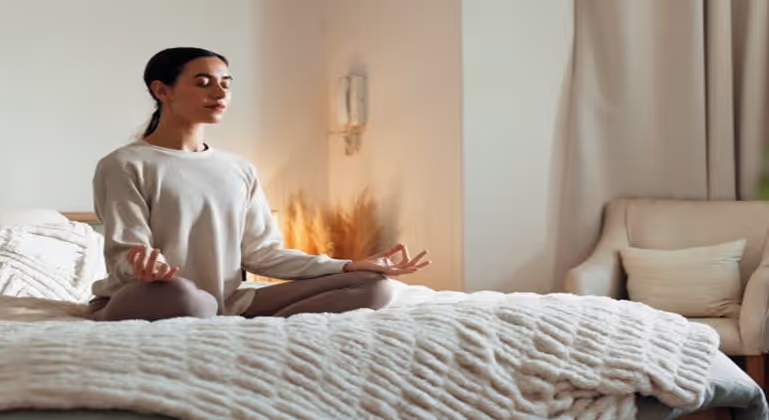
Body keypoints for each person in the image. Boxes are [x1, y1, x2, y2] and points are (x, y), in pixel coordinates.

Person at [88, 47, 430, 322]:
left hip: (225, 302)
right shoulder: (125, 164)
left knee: (374, 286)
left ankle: (255, 328)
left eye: (226, 83)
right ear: (162, 90)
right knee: (185, 296)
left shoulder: (238, 169)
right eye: (204, 83)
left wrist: (348, 265)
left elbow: (263, 253)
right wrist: (145, 269)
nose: (220, 92)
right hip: (151, 295)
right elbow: (126, 250)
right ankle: (218, 316)